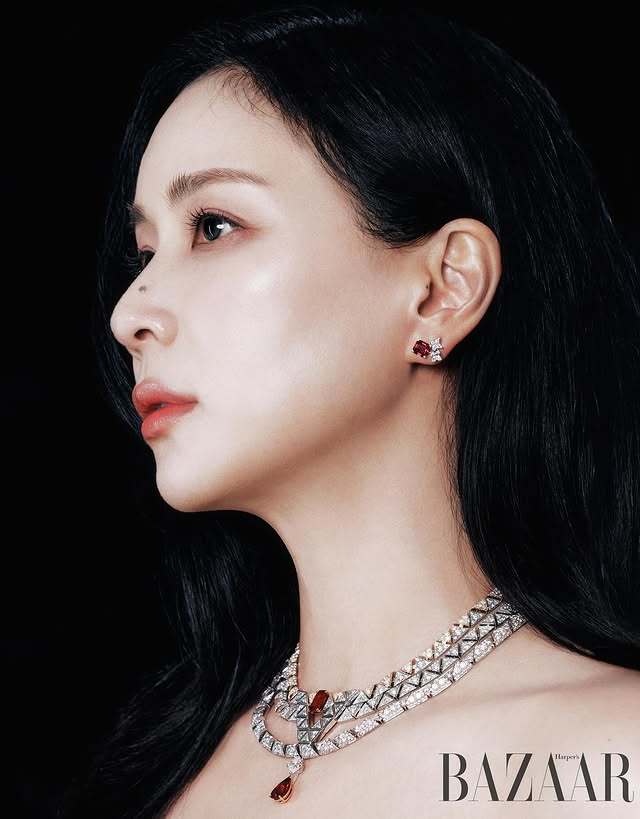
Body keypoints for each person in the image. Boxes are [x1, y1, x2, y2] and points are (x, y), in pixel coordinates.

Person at [62, 5, 640, 818]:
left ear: (442, 290)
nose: (130, 314)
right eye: (146, 252)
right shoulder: (161, 760)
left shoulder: (609, 758)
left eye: (215, 226)